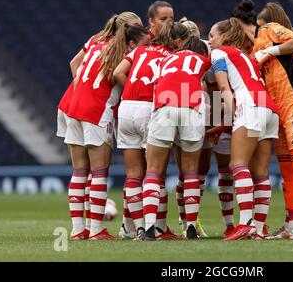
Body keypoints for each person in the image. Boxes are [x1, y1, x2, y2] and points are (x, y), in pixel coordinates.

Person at [232, 0, 293, 239]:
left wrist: (270, 50)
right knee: (287, 170)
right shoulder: (253, 50)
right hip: (280, 112)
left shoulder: (269, 29)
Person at [59, 12, 142, 240]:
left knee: (78, 172)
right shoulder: (128, 52)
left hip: (73, 107)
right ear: (132, 31)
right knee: (99, 173)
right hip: (96, 111)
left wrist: (83, 88)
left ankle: (78, 231)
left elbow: (73, 63)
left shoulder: (96, 40)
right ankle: (96, 230)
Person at [209, 18, 279, 240]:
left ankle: (245, 223)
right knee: (260, 172)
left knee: (237, 165)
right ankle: (258, 228)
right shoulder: (245, 56)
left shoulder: (220, 53)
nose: (210, 41)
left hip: (250, 106)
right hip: (269, 108)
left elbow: (223, 87)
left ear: (225, 37)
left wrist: (228, 120)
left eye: (212, 36)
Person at [142, 24, 211, 240]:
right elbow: (207, 88)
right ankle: (190, 227)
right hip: (191, 105)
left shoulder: (165, 59)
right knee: (190, 171)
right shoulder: (204, 60)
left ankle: (150, 228)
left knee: (153, 170)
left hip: (165, 104)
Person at [113, 22, 178, 241]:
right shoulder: (171, 55)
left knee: (132, 175)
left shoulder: (139, 50)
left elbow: (118, 72)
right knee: (155, 172)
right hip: (151, 110)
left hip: (126, 107)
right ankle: (157, 228)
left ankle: (139, 229)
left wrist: (131, 88)